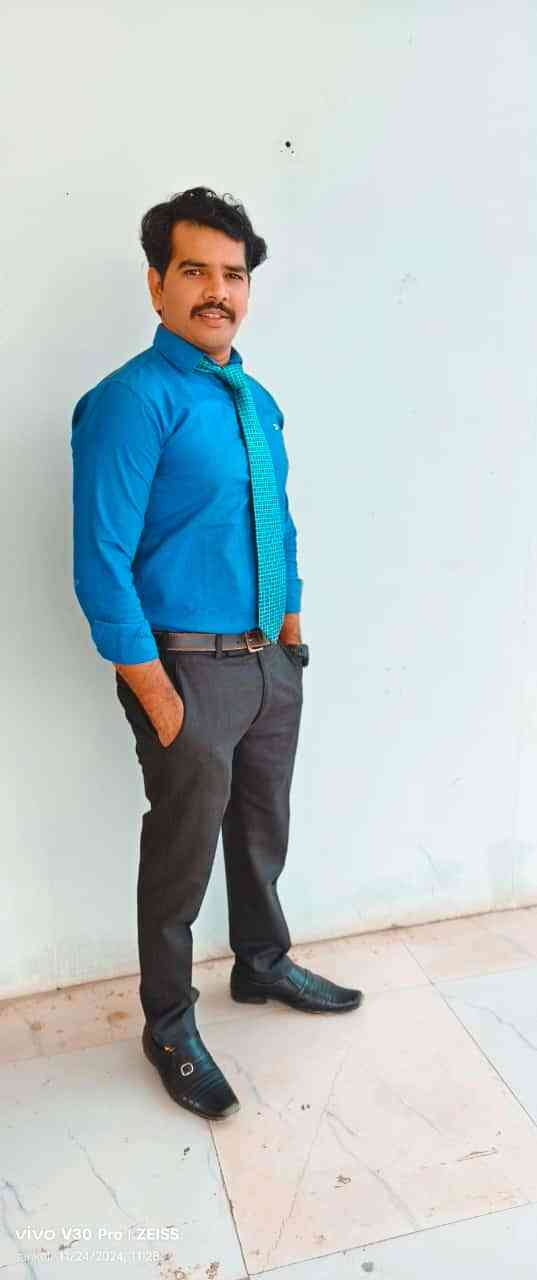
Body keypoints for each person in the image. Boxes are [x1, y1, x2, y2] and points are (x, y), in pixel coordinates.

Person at [70, 185, 363, 1122]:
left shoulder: (255, 399)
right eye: (193, 270)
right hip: (186, 669)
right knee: (180, 858)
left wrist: (292, 636)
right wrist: (158, 696)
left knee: (262, 828)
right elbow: (100, 560)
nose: (216, 292)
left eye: (232, 275)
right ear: (156, 283)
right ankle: (168, 1025)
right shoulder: (130, 401)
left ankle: (262, 963)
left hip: (268, 661)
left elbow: (276, 521)